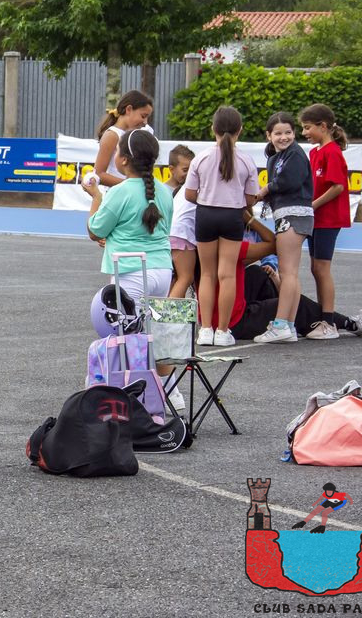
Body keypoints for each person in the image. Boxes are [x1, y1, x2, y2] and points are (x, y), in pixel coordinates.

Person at [83, 129, 182, 410]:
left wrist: (95, 196)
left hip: (130, 270)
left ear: (124, 159)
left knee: (128, 338)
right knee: (155, 333)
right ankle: (169, 392)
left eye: (117, 152)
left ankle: (131, 398)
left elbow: (95, 229)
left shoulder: (120, 192)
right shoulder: (164, 192)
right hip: (161, 269)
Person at [200, 213, 362, 341]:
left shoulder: (201, 245)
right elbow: (273, 243)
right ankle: (349, 323)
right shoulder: (234, 249)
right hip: (235, 322)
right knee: (294, 304)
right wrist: (249, 218)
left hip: (211, 318)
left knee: (258, 273)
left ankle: (281, 311)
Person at [185, 106, 259, 347]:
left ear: (212, 128)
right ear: (240, 130)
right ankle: (223, 330)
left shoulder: (201, 158)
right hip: (232, 216)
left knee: (206, 274)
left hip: (205, 214)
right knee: (227, 275)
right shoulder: (246, 160)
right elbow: (251, 199)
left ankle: (205, 329)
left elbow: (189, 194)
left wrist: (209, 198)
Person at [252, 112, 313, 344]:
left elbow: (289, 181)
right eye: (278, 133)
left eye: (288, 132)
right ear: (269, 135)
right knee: (291, 274)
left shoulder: (295, 154)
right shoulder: (276, 156)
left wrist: (265, 189)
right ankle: (288, 325)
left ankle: (280, 325)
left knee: (287, 273)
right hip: (288, 215)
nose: (284, 137)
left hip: (294, 215)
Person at [301, 103, 351, 341]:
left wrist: (313, 205)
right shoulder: (315, 152)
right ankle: (324, 317)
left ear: (323, 126)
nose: (304, 133)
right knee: (315, 268)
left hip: (327, 219)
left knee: (321, 268)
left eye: (307, 127)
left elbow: (338, 186)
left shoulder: (332, 152)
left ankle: (329, 322)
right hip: (317, 219)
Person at [94, 90, 154, 187]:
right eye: (143, 116)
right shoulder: (112, 135)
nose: (145, 122)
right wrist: (132, 185)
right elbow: (99, 173)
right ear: (129, 109)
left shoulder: (137, 133)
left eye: (147, 118)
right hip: (117, 192)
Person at [167, 144, 197, 298]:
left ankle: (164, 311)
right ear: (171, 169)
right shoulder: (193, 186)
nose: (189, 174)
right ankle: (168, 312)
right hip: (182, 234)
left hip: (173, 233)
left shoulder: (184, 188)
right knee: (186, 278)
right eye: (185, 170)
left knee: (176, 278)